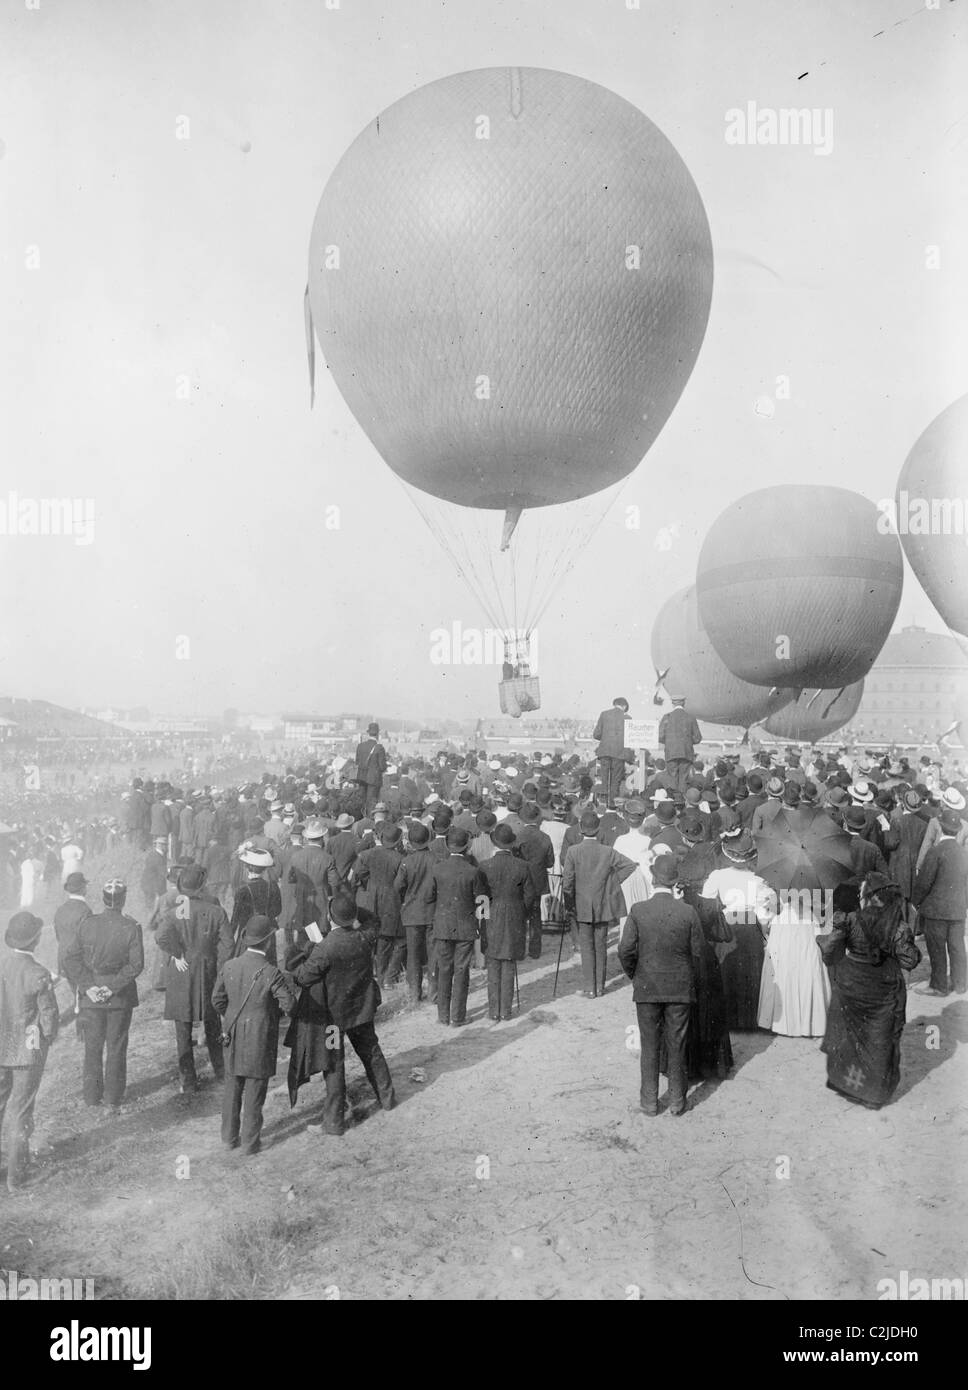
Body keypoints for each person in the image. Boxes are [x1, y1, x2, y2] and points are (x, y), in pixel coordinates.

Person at [291, 893, 396, 1136]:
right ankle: (388, 1098)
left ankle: (334, 1122)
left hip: (333, 1019)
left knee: (333, 1065)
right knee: (372, 1052)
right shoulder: (364, 936)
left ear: (330, 917)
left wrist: (308, 951)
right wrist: (352, 909)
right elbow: (374, 919)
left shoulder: (325, 948)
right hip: (361, 1011)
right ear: (352, 916)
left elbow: (303, 977)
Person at [820, 875, 921, 1109]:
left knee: (848, 1037)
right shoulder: (897, 925)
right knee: (879, 1040)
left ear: (870, 897)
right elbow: (909, 960)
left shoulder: (850, 919)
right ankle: (872, 1095)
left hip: (851, 985)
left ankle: (846, 1084)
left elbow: (830, 954)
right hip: (883, 989)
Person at [618, 855, 703, 1116]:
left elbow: (625, 950)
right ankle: (677, 1100)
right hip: (679, 988)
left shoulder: (638, 910)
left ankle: (649, 1102)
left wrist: (636, 975)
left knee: (649, 1045)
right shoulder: (688, 912)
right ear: (675, 882)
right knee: (677, 1044)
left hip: (647, 987)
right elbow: (698, 953)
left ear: (653, 879)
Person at [212, 915, 296, 1155]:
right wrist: (271, 1015)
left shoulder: (230, 966)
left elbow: (217, 1000)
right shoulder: (271, 972)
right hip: (260, 1038)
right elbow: (289, 1004)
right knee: (255, 1090)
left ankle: (228, 1138)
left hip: (232, 1035)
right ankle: (250, 1143)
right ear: (268, 942)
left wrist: (231, 1016)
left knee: (232, 1087)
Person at [63, 877, 144, 1114]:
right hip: (119, 998)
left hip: (91, 998)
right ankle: (112, 1098)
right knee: (116, 1046)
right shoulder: (131, 926)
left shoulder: (87, 924)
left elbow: (70, 959)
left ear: (103, 899)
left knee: (92, 1046)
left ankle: (91, 1096)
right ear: (123, 899)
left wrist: (89, 987)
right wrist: (111, 988)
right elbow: (136, 965)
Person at [155, 865, 230, 1093]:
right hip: (208, 972)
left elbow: (161, 936)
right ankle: (221, 1073)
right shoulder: (216, 911)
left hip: (181, 972)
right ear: (202, 886)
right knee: (213, 1023)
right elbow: (228, 946)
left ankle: (188, 1081)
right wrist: (218, 969)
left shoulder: (176, 911)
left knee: (183, 1028)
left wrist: (177, 953)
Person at [0, 911, 59, 1193]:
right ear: (35, 940)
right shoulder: (38, 972)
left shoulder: (2, 964)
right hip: (27, 1050)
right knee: (21, 1112)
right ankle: (16, 1177)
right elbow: (49, 1016)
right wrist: (49, 1037)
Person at [699, 832, 775, 1030]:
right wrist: (765, 934)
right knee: (750, 971)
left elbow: (706, 903)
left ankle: (728, 1018)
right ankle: (748, 1019)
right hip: (750, 925)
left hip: (726, 925)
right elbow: (763, 913)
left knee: (727, 969)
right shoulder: (758, 880)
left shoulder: (718, 876)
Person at [561, 810, 637, 998]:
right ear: (598, 830)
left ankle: (590, 988)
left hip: (581, 904)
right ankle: (600, 987)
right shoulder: (607, 851)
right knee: (601, 945)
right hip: (603, 903)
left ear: (581, 829)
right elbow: (630, 865)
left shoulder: (573, 851)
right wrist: (613, 882)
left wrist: (569, 902)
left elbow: (567, 881)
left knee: (586, 946)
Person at [478, 823, 535, 1021]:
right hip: (514, 916)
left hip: (491, 916)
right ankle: (506, 1011)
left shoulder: (484, 866)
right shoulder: (522, 866)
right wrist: (522, 913)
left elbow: (480, 897)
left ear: (495, 843)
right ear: (511, 844)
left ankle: (494, 1011)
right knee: (509, 961)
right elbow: (530, 896)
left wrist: (483, 918)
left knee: (493, 961)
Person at [430, 827, 486, 1027]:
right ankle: (458, 1017)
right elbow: (481, 900)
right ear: (467, 846)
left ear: (447, 845)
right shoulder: (473, 871)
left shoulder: (437, 869)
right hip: (466, 926)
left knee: (444, 968)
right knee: (461, 970)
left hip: (443, 925)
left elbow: (429, 896)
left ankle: (443, 1016)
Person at [911, 809, 968, 996]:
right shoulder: (964, 853)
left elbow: (924, 882)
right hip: (958, 909)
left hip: (936, 910)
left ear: (941, 827)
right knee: (957, 947)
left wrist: (915, 902)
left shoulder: (935, 852)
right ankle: (960, 984)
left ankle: (939, 985)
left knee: (936, 948)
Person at [756, 895, 831, 1037]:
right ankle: (809, 1024)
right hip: (805, 935)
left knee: (784, 974)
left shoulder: (780, 918)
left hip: (786, 934)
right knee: (806, 974)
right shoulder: (811, 917)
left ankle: (785, 1023)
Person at [357, 822, 406, 988]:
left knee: (376, 938)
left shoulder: (367, 854)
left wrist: (370, 885)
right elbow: (401, 884)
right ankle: (388, 977)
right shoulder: (400, 859)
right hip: (392, 900)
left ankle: (378, 975)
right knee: (394, 938)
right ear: (397, 841)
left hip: (371, 899)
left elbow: (360, 874)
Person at [394, 820, 437, 1005]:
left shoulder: (406, 862)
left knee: (413, 955)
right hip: (432, 912)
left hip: (411, 913)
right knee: (433, 953)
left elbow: (397, 886)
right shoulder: (436, 859)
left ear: (410, 842)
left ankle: (414, 994)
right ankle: (434, 993)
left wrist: (406, 898)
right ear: (429, 839)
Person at [514, 802, 554, 959]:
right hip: (537, 881)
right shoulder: (545, 837)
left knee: (519, 916)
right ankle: (535, 950)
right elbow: (550, 862)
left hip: (520, 882)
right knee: (535, 916)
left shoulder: (517, 837)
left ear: (523, 819)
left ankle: (519, 950)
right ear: (537, 819)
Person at [229, 846, 282, 962]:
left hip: (248, 934)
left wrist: (230, 940)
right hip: (267, 932)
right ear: (264, 869)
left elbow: (235, 919)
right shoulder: (273, 886)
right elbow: (278, 910)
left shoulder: (243, 890)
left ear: (247, 868)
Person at [53, 871, 93, 985]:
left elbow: (58, 936)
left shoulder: (60, 909)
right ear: (83, 888)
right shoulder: (85, 910)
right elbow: (88, 940)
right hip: (78, 961)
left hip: (62, 959)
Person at [657, 697, 702, 798]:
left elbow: (660, 736)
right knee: (684, 779)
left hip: (671, 753)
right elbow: (698, 738)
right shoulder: (690, 717)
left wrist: (669, 742)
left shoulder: (667, 717)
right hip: (686, 753)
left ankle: (674, 801)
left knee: (672, 778)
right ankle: (682, 801)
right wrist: (687, 741)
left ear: (673, 704)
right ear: (684, 704)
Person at [592, 697, 631, 810]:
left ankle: (602, 805)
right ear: (624, 706)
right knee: (615, 781)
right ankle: (612, 806)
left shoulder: (604, 714)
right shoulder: (628, 718)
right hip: (620, 754)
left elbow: (596, 734)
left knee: (604, 779)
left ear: (615, 704)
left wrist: (606, 737)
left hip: (604, 752)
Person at [355, 723, 388, 815]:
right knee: (371, 802)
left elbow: (357, 762)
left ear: (368, 733)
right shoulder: (379, 747)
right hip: (374, 779)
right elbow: (382, 767)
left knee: (362, 801)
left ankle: (361, 818)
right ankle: (369, 820)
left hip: (361, 778)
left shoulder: (360, 746)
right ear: (377, 734)